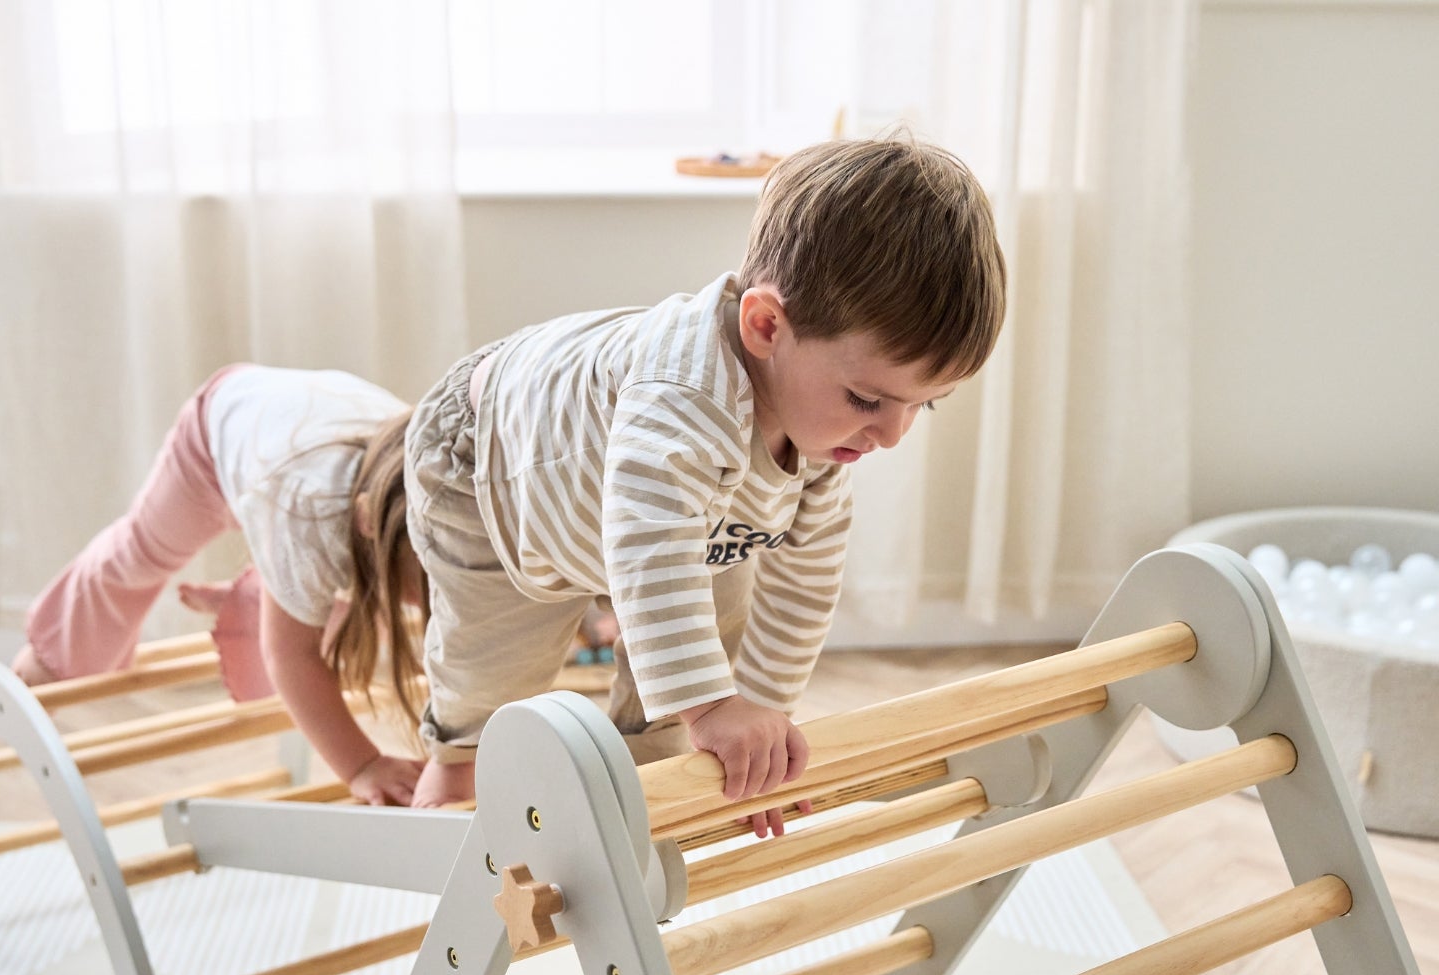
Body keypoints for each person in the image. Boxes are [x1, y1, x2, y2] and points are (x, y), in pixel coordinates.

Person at [401, 134, 1008, 835]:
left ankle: (650, 767)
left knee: (720, 614)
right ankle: (452, 769)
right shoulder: (685, 399)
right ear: (764, 326)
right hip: (489, 462)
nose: (891, 435)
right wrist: (713, 709)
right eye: (869, 401)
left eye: (921, 404)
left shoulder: (819, 426)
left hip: (632, 501)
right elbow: (651, 553)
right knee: (497, 660)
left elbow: (806, 580)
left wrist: (760, 716)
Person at [11, 366, 431, 806]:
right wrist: (362, 765)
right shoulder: (309, 509)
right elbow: (291, 656)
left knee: (340, 593)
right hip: (213, 442)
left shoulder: (441, 491)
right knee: (141, 556)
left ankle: (254, 595)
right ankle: (50, 654)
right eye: (425, 582)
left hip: (300, 444)